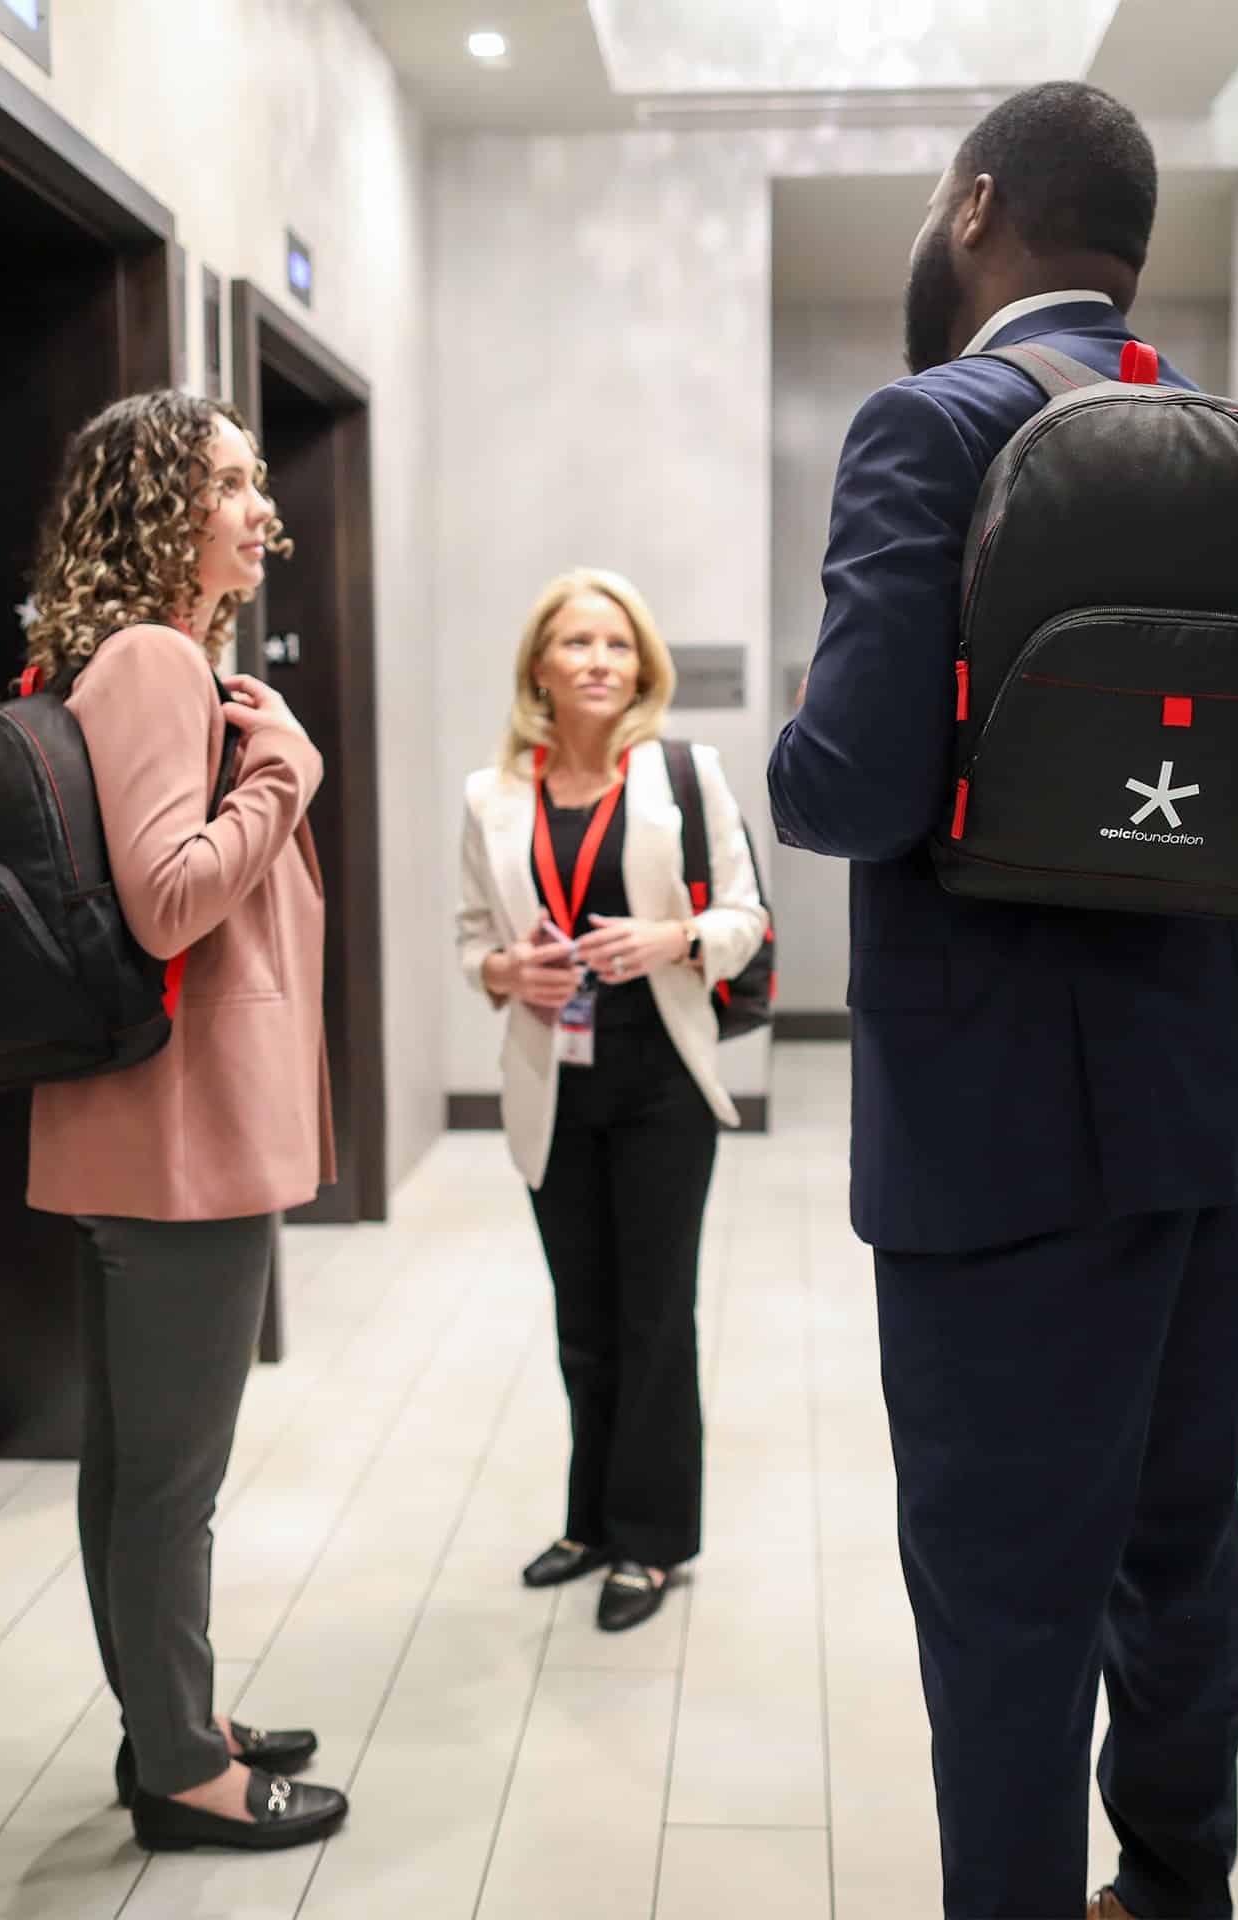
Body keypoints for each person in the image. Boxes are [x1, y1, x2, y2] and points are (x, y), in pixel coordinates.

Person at [767, 85, 1238, 1920]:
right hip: (1211, 1083)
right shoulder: (1226, 441)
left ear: (979, 205)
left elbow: (848, 786)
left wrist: (784, 751)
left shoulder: (931, 424)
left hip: (1004, 1122)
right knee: (1178, 1536)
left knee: (1009, 1585)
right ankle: (1171, 1891)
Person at [23, 391, 348, 1853]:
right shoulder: (152, 660)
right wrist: (287, 777)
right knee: (172, 1480)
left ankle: (172, 1721)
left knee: (139, 1465)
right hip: (180, 1141)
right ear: (161, 508)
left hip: (150, 1129)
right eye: (228, 482)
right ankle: (184, 1775)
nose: (257, 506)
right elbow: (168, 895)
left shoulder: (118, 659)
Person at [456, 568, 768, 1632]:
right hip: (552, 1081)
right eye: (577, 643)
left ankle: (653, 1540)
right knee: (583, 1321)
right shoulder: (493, 798)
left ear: (643, 667)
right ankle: (590, 1522)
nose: (599, 662)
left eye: (618, 645)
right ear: (539, 667)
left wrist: (670, 937)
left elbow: (744, 919)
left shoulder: (685, 773)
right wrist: (506, 973)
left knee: (653, 1315)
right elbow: (469, 939)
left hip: (660, 1084)